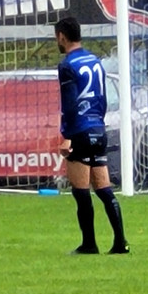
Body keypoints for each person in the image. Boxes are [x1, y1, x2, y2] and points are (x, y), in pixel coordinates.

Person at [54, 16, 129, 254]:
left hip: (80, 130)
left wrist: (66, 135)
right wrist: (98, 123)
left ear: (61, 37)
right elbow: (102, 98)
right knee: (104, 189)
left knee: (81, 190)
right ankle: (121, 242)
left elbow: (70, 104)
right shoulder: (95, 61)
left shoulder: (67, 65)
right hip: (98, 128)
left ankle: (89, 244)